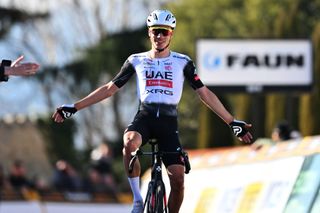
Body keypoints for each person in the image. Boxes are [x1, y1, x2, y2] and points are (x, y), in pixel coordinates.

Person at [52, 9, 253, 213]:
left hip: (168, 124)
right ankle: (138, 201)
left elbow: (205, 93)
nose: (159, 36)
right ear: (149, 33)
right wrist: (74, 107)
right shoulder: (136, 60)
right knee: (129, 143)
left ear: (171, 34)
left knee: (178, 181)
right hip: (145, 118)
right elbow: (109, 89)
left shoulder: (183, 62)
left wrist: (232, 121)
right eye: (155, 31)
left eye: (164, 32)